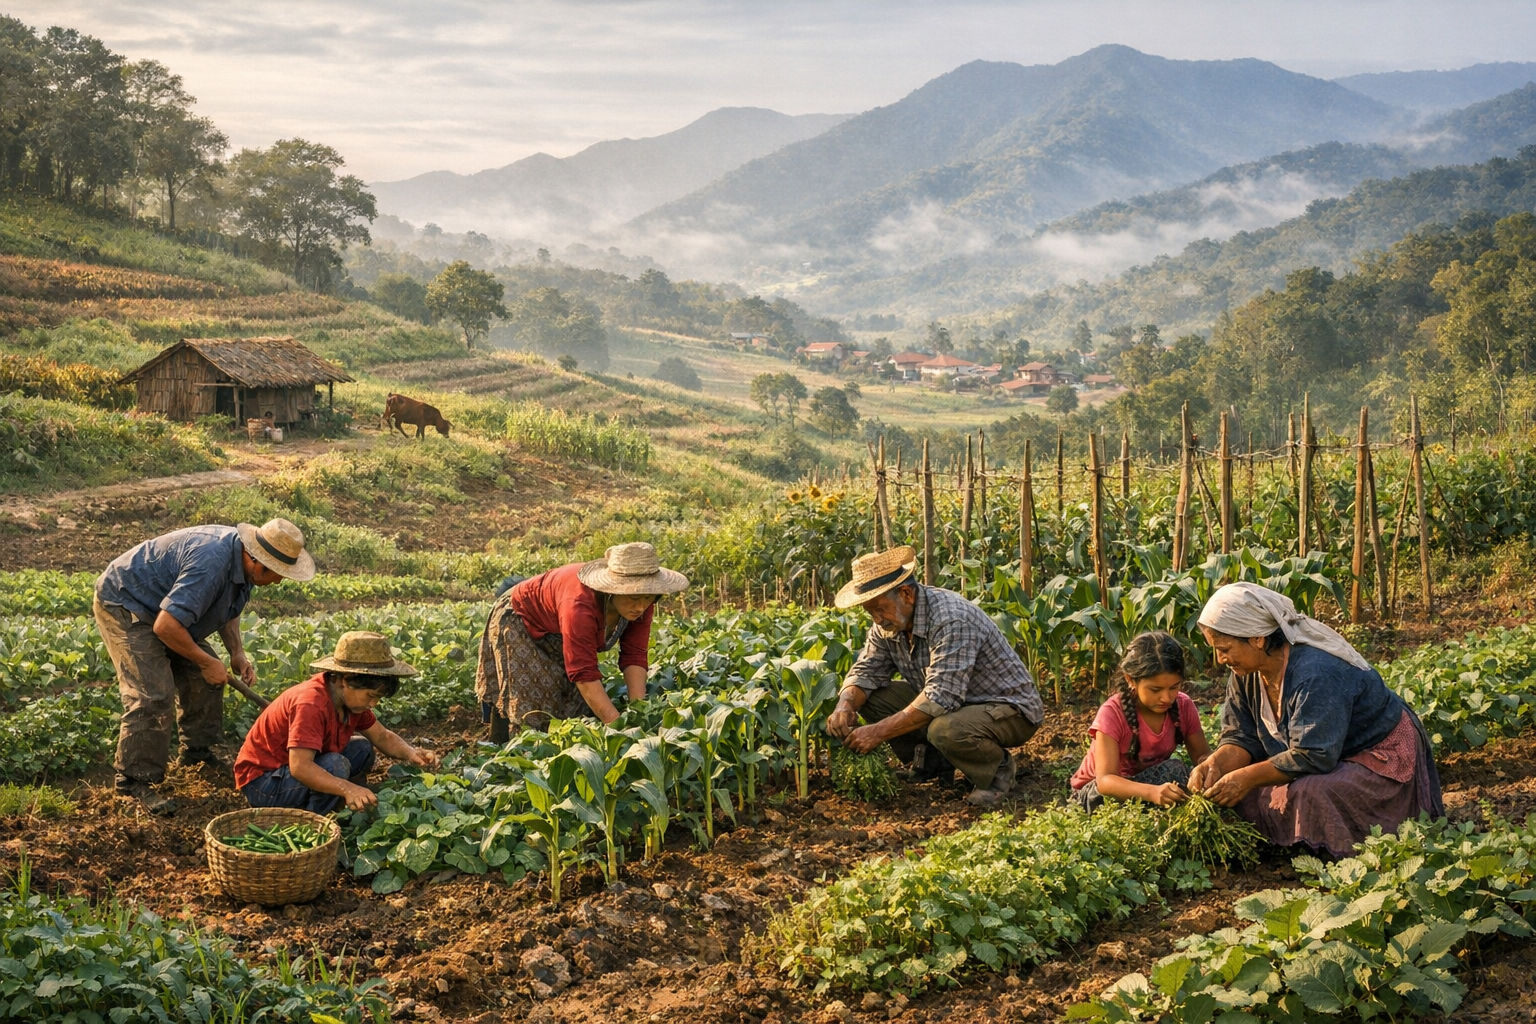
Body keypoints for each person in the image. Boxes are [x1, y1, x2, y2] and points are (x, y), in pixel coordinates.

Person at [1189, 582, 1444, 857]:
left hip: (1373, 752)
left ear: (1257, 639)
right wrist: (1216, 764)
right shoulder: (1244, 673)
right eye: (1215, 649)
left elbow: (1314, 755)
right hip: (1315, 753)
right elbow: (1241, 737)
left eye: (1225, 648)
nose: (1220, 658)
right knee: (1235, 789)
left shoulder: (1315, 671)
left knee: (1311, 792)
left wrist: (1247, 777)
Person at [95, 519, 314, 814]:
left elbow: (226, 607)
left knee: (206, 678)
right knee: (152, 695)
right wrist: (206, 660)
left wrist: (236, 653)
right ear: (257, 562)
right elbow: (165, 626)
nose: (279, 582)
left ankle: (197, 754)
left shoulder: (243, 567)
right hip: (128, 602)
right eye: (278, 574)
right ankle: (133, 784)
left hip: (166, 611)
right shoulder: (210, 563)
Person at [825, 546, 1045, 808]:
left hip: (1007, 709)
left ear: (906, 594)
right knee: (872, 698)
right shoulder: (887, 624)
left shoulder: (951, 618)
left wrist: (877, 732)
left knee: (946, 729)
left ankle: (997, 770)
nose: (876, 618)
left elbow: (942, 697)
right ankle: (934, 761)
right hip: (955, 705)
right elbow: (866, 670)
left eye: (879, 609)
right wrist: (845, 704)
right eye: (869, 612)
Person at [476, 542, 689, 740]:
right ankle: (503, 748)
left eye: (648, 598)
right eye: (634, 598)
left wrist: (639, 712)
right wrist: (619, 730)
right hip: (520, 618)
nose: (641, 606)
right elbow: (583, 673)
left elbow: (635, 655)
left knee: (574, 703)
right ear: (613, 590)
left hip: (558, 626)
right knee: (535, 703)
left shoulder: (641, 600)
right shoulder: (580, 604)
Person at [235, 631, 437, 812]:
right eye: (370, 696)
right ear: (345, 680)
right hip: (264, 783)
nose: (373, 703)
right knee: (335, 766)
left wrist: (411, 752)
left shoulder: (350, 702)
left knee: (362, 748)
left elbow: (382, 736)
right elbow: (300, 767)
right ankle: (312, 819)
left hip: (289, 771)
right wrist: (347, 788)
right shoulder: (311, 703)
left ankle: (341, 800)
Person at [1069, 631, 1211, 810]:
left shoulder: (1183, 706)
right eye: (1155, 689)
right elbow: (1105, 781)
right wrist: (1152, 793)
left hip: (1147, 783)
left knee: (1184, 773)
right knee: (1172, 772)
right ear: (1131, 680)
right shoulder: (1112, 713)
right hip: (1095, 794)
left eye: (1174, 687)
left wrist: (1209, 769)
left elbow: (1202, 757)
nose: (1166, 698)